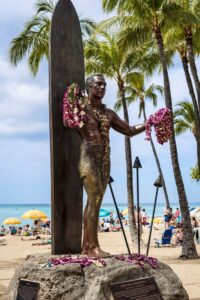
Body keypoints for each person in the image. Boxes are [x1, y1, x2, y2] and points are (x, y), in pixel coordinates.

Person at [78, 74, 145, 256]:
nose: (102, 88)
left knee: (94, 204)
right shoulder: (80, 109)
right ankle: (93, 247)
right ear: (89, 86)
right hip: (88, 160)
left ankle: (86, 246)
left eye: (104, 85)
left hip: (104, 162)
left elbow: (129, 130)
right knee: (95, 199)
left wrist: (149, 123)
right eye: (98, 84)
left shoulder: (109, 114)